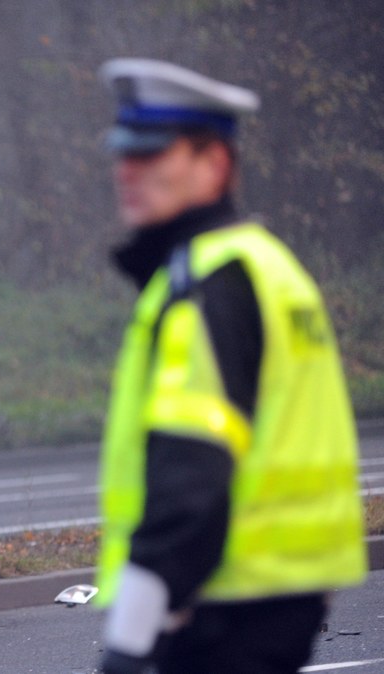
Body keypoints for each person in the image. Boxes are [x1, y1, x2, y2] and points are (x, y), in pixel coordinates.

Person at [92, 58, 367, 673]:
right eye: (124, 155)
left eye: (152, 155)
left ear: (214, 163)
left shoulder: (209, 281)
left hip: (220, 611)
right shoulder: (266, 263)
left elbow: (191, 475)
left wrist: (132, 640)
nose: (127, 172)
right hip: (269, 604)